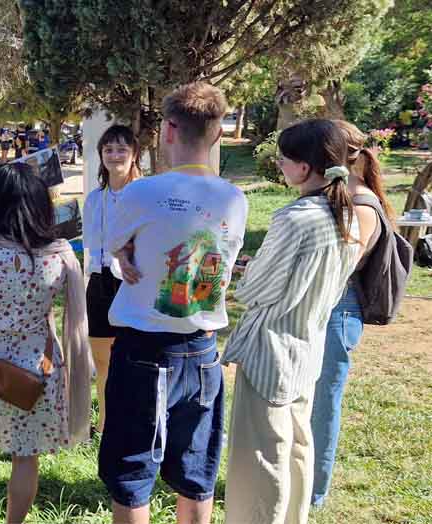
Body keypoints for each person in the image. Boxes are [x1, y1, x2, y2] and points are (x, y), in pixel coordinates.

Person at [99, 82, 248, 524]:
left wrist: (125, 253)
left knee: (131, 477)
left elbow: (111, 247)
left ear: (167, 130)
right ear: (218, 134)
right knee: (197, 473)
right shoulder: (235, 199)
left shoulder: (141, 193)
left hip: (144, 350)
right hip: (203, 350)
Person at [222, 119, 361, 524]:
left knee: (261, 459)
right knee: (299, 449)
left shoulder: (295, 218)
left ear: (303, 168)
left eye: (283, 159)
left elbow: (254, 292)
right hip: (308, 344)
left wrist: (246, 272)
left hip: (272, 348)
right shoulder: (345, 214)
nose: (279, 165)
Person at [0, 163, 92, 524]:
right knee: (27, 456)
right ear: (41, 204)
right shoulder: (60, 255)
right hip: (39, 368)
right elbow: (76, 316)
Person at [309, 120, 395, 507]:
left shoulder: (361, 205)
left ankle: (314, 491)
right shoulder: (347, 198)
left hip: (338, 311)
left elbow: (341, 265)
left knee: (323, 404)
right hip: (326, 307)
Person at [82, 124, 142, 434]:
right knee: (102, 361)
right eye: (108, 150)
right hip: (100, 283)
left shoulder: (146, 195)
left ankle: (132, 425)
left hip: (134, 283)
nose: (115, 155)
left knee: (134, 361)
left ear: (134, 155)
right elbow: (92, 245)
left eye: (121, 149)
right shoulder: (94, 199)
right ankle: (105, 426)